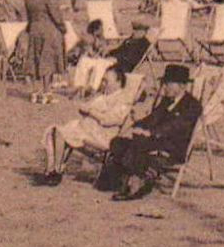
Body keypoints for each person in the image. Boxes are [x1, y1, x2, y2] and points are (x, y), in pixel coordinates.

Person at [97, 63, 202, 200]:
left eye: (169, 84)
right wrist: (136, 126)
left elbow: (176, 126)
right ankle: (117, 178)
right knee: (118, 142)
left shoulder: (192, 105)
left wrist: (152, 133)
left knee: (139, 143)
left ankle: (135, 184)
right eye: (165, 83)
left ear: (181, 86)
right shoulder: (167, 100)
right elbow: (153, 117)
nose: (164, 87)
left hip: (174, 147)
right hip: (158, 140)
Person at [47, 67, 135, 182]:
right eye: (103, 80)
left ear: (118, 83)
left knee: (60, 133)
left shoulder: (123, 99)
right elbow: (86, 107)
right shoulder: (104, 96)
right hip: (88, 129)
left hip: (103, 135)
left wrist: (91, 112)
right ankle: (54, 169)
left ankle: (55, 171)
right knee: (55, 131)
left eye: (106, 81)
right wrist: (85, 109)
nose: (103, 84)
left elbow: (109, 120)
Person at [23, 0, 67, 103]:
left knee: (34, 60)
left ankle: (34, 92)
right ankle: (47, 93)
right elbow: (56, 15)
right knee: (48, 61)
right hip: (49, 30)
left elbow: (29, 18)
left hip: (34, 29)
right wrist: (63, 28)